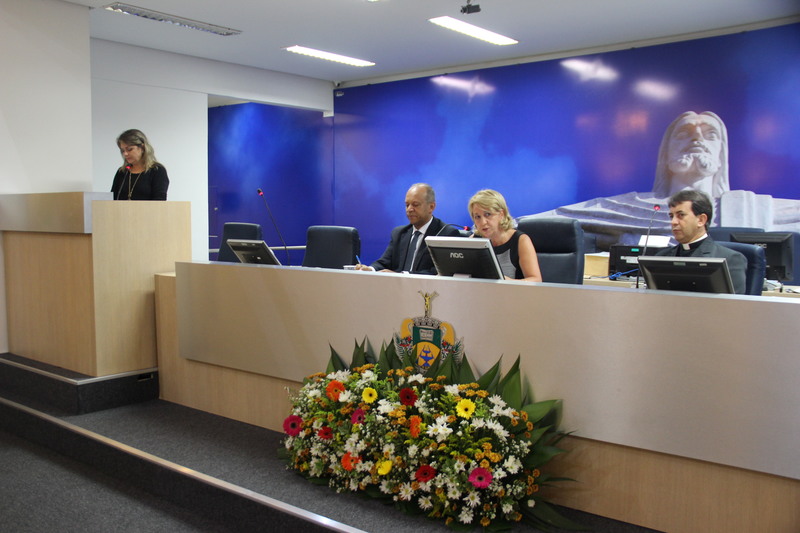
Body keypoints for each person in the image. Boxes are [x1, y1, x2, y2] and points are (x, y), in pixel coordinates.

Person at [526, 111, 800, 249]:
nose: (697, 139)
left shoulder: (751, 208)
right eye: (684, 134)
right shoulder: (627, 208)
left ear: (721, 153)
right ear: (665, 152)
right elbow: (550, 221)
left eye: (709, 135)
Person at [656, 189, 747, 294]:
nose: (673, 222)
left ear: (701, 220)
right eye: (671, 216)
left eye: (681, 215)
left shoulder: (730, 259)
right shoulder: (661, 257)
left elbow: (733, 303)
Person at [356, 183, 460, 274]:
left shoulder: (446, 234)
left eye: (415, 205)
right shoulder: (399, 233)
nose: (409, 209)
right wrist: (370, 269)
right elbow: (384, 262)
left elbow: (438, 272)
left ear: (431, 207)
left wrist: (401, 275)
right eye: (407, 205)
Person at [469, 189, 542, 282]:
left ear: (501, 214)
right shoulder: (473, 241)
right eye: (477, 217)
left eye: (488, 214)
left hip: (513, 291)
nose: (483, 222)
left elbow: (536, 280)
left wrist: (507, 282)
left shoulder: (521, 241)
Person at [111, 129, 169, 200]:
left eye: (129, 149)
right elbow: (112, 199)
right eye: (122, 150)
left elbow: (159, 200)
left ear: (142, 148)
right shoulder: (122, 172)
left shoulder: (157, 170)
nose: (125, 154)